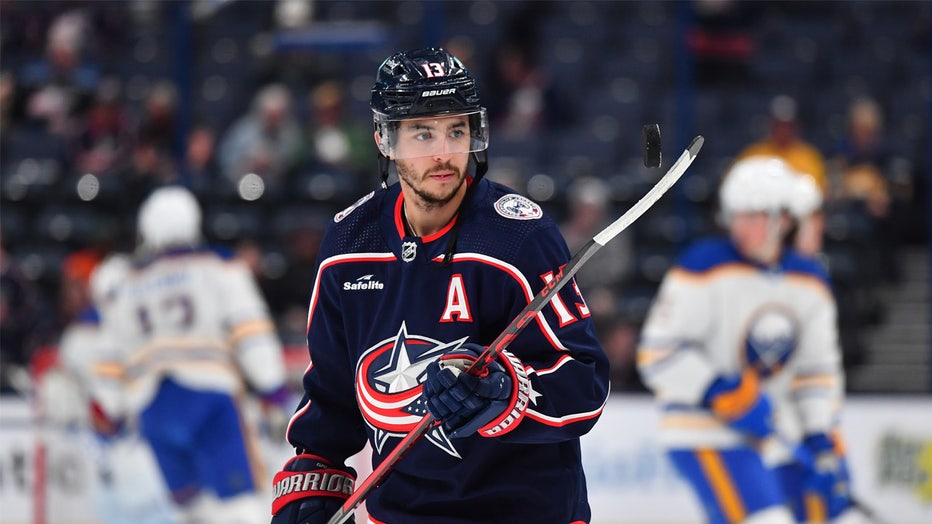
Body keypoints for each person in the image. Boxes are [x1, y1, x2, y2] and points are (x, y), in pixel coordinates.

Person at [271, 47, 611, 524]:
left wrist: (506, 392)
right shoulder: (348, 245)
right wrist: (313, 482)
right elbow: (331, 395)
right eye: (422, 132)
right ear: (384, 139)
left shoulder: (519, 237)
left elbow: (585, 383)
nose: (443, 151)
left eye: (457, 130)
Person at [636, 157, 860, 524]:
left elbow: (816, 373)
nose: (742, 227)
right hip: (704, 428)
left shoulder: (810, 282)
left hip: (777, 433)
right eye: (737, 215)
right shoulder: (704, 264)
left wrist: (820, 439)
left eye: (754, 216)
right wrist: (717, 389)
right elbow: (657, 354)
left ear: (783, 220)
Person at [100, 185, 291, 523]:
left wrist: (112, 413)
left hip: (152, 407)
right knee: (241, 503)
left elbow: (110, 358)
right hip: (210, 395)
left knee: (190, 511)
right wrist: (273, 388)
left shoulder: (125, 284)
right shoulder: (217, 265)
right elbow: (249, 329)